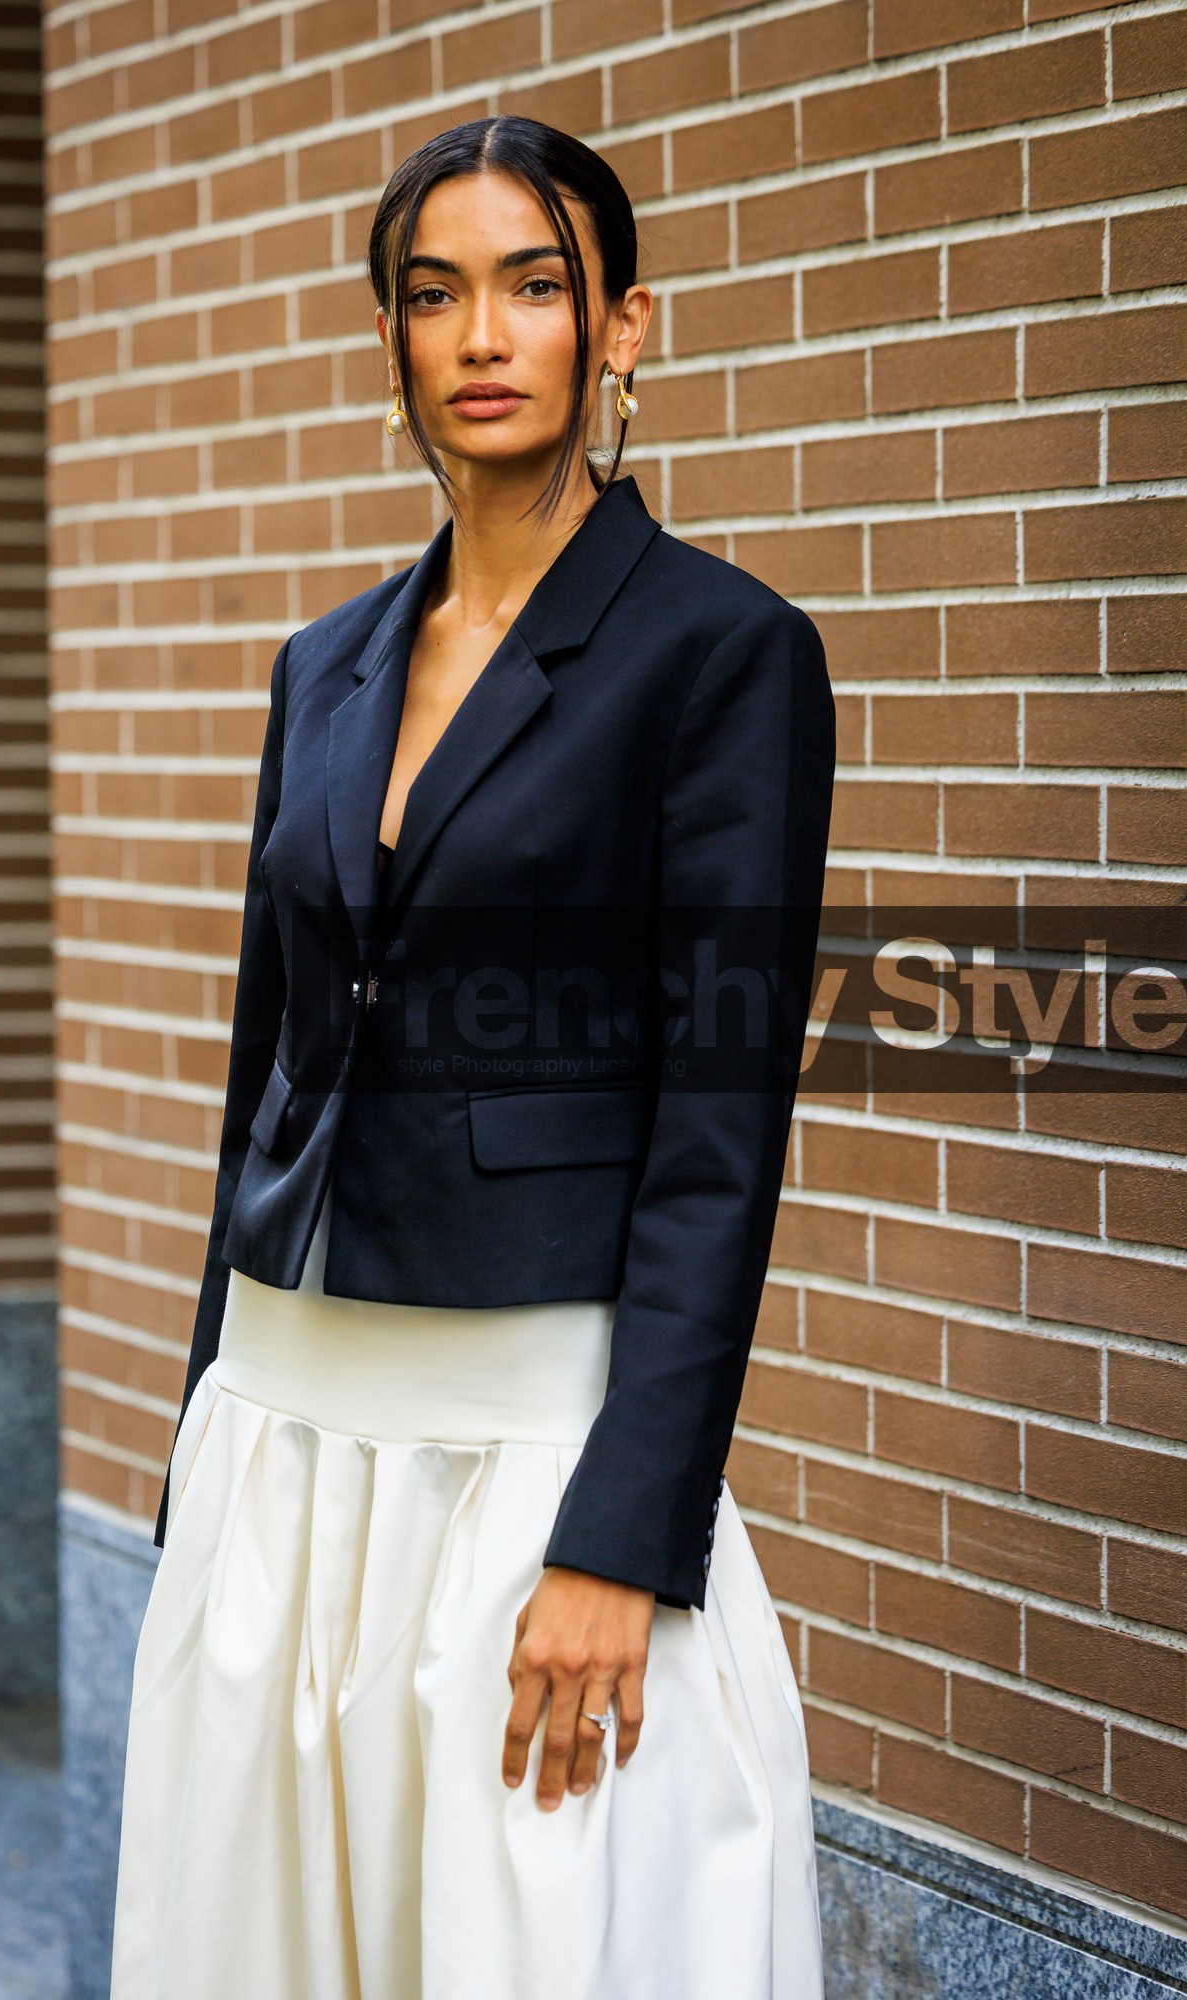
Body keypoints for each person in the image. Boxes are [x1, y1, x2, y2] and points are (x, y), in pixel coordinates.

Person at [110, 115, 835, 2000]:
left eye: (534, 285)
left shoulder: (723, 654)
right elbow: (264, 1074)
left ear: (625, 326)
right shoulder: (321, 665)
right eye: (435, 295)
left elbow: (720, 1129)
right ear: (390, 338)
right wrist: (197, 1458)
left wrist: (628, 1541)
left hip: (529, 1451)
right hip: (279, 1438)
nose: (483, 334)